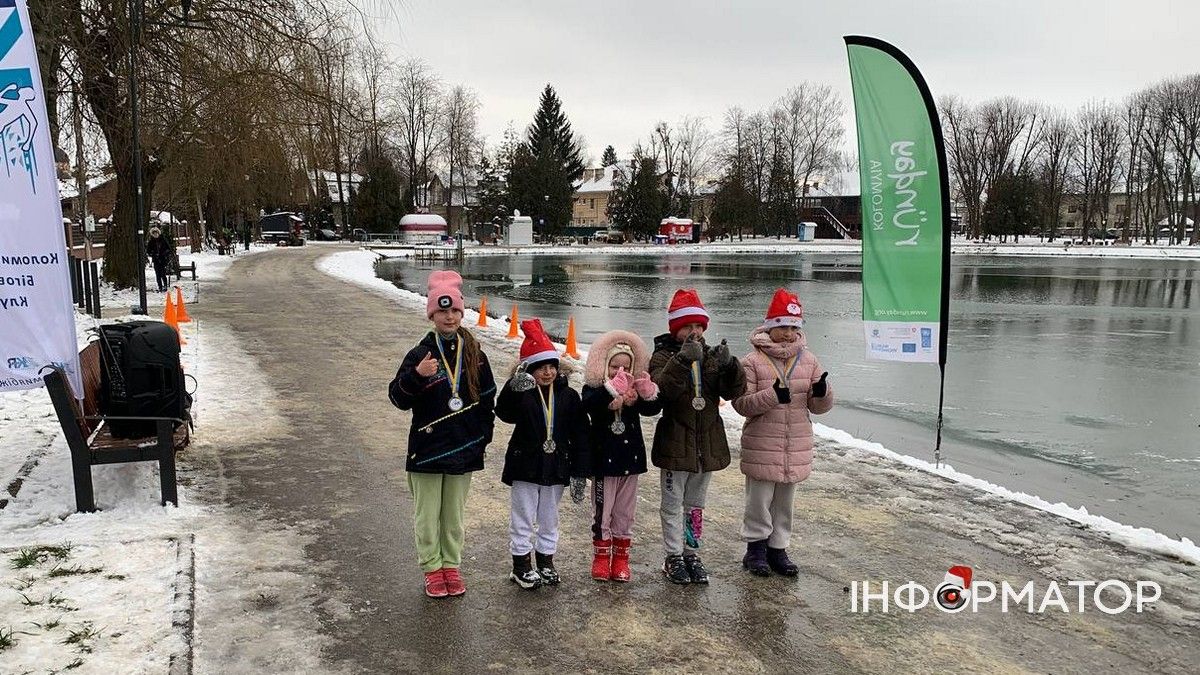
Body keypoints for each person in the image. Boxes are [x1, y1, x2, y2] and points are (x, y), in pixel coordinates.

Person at [388, 270, 496, 598]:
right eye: (442, 311)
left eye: (454, 311)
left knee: (453, 517)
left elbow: (488, 400)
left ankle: (451, 564)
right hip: (428, 450)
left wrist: (482, 438)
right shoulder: (420, 354)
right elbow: (397, 397)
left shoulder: (476, 354)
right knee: (426, 517)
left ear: (462, 313)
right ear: (432, 314)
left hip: (464, 449)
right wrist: (417, 377)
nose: (449, 317)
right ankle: (432, 568)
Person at [732, 289, 833, 577]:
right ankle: (756, 549)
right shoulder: (751, 362)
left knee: (785, 502)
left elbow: (817, 407)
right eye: (782, 327)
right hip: (762, 443)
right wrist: (772, 396)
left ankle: (779, 549)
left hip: (795, 445)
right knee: (759, 501)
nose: (788, 334)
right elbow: (742, 405)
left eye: (793, 327)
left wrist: (822, 394)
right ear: (769, 327)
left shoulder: (809, 361)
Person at [649, 289, 746, 585]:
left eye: (699, 326)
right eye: (688, 326)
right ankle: (673, 555)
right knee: (671, 504)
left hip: (707, 444)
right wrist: (681, 361)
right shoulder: (662, 356)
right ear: (675, 329)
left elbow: (733, 391)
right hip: (675, 444)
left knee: (695, 506)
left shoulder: (711, 356)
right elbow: (659, 392)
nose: (694, 332)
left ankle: (692, 553)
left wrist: (731, 366)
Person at [495, 319, 590, 590]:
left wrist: (581, 472)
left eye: (551, 366)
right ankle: (521, 566)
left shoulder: (569, 396)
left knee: (549, 518)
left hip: (557, 467)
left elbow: (581, 434)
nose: (547, 373)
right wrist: (513, 387)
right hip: (525, 465)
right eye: (540, 368)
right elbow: (504, 414)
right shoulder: (522, 393)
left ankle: (546, 562)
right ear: (530, 370)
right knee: (523, 517)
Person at [580, 330, 661, 582]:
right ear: (605, 366)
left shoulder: (633, 392)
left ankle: (621, 559)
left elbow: (652, 409)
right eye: (614, 366)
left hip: (630, 461)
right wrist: (610, 392)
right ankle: (601, 558)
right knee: (603, 512)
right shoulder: (594, 389)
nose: (620, 372)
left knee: (625, 512)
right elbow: (588, 405)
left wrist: (647, 393)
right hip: (604, 462)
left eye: (626, 367)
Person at [146, 226, 172, 292]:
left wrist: (165, 253)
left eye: (156, 233)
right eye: (154, 233)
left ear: (158, 233)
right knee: (157, 274)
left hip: (163, 259)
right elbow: (148, 251)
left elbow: (168, 249)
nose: (155, 235)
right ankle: (160, 286)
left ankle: (165, 285)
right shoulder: (151, 242)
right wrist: (152, 254)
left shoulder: (163, 240)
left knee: (163, 273)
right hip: (156, 260)